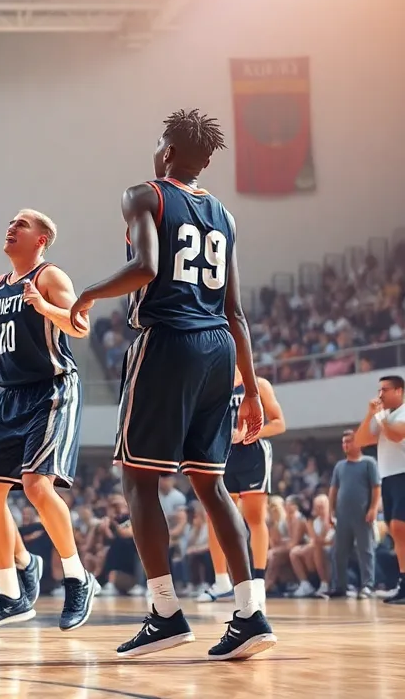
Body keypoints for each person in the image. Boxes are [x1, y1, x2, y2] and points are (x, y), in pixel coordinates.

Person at [69, 109, 276, 660]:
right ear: (204, 159)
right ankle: (251, 612)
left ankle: (165, 612)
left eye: (160, 141)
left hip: (168, 341)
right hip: (219, 349)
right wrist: (250, 390)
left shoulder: (145, 194)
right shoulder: (224, 215)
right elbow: (236, 310)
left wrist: (86, 294)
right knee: (211, 485)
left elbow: (145, 267)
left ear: (167, 151)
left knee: (139, 480)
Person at [0, 209, 99, 632]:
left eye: (22, 224)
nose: (11, 226)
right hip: (12, 396)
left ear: (41, 239)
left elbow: (81, 325)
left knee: (37, 486)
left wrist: (45, 307)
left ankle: (77, 577)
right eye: (11, 222)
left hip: (52, 389)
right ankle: (10, 594)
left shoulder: (51, 277)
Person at [197, 373, 286, 603]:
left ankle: (258, 580)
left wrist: (250, 433)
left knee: (254, 517)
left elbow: (279, 423)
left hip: (253, 455)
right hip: (224, 455)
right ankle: (222, 582)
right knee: (214, 516)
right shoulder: (216, 384)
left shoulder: (259, 384)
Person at [353, 374, 405, 603]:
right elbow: (361, 440)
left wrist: (381, 419)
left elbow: (395, 435)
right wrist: (369, 415)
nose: (380, 394)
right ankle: (403, 582)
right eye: (379, 389)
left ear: (399, 391)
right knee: (397, 532)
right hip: (389, 477)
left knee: (398, 526)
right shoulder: (381, 414)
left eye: (385, 389)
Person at [329, 429, 381, 598]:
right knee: (339, 552)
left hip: (362, 514)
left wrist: (373, 508)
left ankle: (367, 585)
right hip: (342, 516)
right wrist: (330, 511)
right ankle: (340, 586)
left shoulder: (368, 463)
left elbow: (376, 487)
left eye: (349, 441)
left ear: (358, 443)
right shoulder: (340, 466)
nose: (346, 445)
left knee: (365, 550)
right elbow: (333, 490)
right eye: (343, 442)